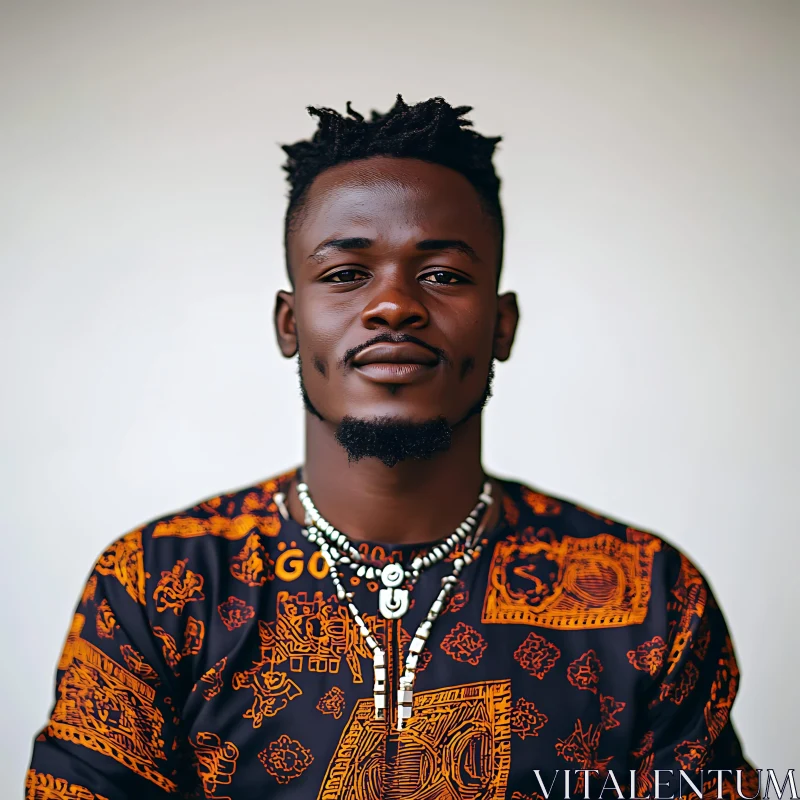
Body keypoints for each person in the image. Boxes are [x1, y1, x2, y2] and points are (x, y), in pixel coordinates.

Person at [27, 96, 757, 800]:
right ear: (289, 322)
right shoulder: (160, 586)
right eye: (345, 274)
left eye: (442, 275)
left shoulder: (647, 597)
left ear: (502, 326)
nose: (394, 304)